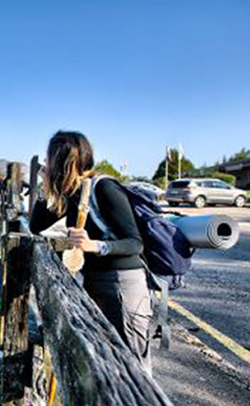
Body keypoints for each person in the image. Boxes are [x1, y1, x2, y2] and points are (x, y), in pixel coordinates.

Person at [29, 130, 153, 374]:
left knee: (134, 367)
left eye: (49, 158)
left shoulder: (104, 188)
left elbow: (135, 243)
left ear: (63, 160)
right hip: (95, 283)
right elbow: (36, 226)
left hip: (123, 287)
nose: (46, 163)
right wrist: (47, 186)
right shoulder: (72, 193)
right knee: (106, 362)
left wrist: (96, 245)